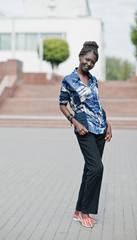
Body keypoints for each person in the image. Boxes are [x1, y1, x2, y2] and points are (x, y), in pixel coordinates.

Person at [59, 41, 112, 228]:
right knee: (97, 168)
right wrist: (74, 121)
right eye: (87, 60)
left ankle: (78, 210)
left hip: (99, 127)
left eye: (93, 62)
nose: (89, 64)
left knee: (90, 169)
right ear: (80, 57)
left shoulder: (94, 80)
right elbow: (62, 105)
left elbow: (97, 104)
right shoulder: (69, 80)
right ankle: (85, 213)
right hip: (84, 128)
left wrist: (107, 123)